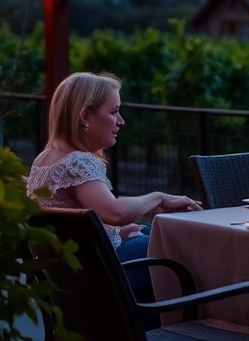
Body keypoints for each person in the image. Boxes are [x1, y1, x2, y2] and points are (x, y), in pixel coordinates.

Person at [27, 71, 202, 314]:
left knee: (158, 230)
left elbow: (83, 218)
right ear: (86, 115)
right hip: (105, 277)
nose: (121, 121)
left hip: (75, 278)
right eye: (114, 111)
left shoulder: (45, 159)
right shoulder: (76, 162)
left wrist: (116, 231)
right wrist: (158, 197)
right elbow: (114, 212)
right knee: (184, 243)